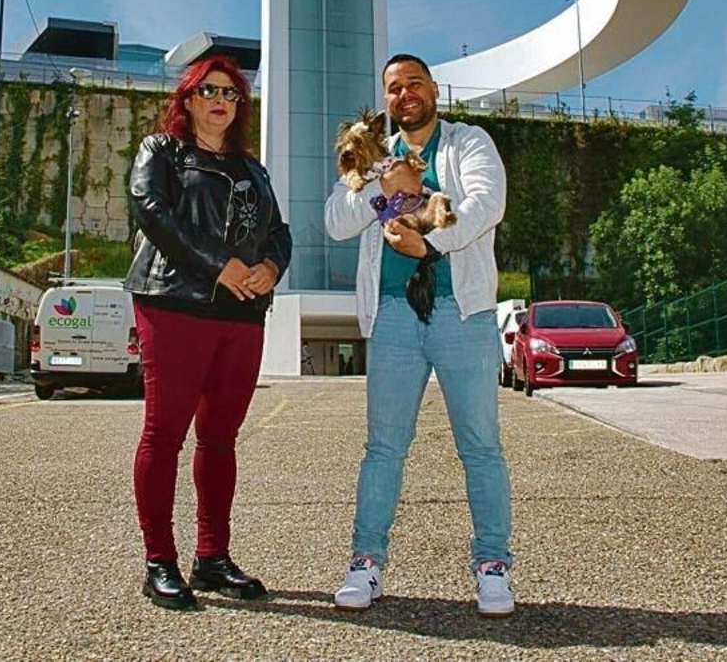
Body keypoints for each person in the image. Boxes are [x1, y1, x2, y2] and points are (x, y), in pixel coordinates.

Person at [324, 53, 514, 618]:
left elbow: (486, 204)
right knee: (384, 446)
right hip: (393, 315)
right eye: (393, 88)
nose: (404, 94)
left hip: (462, 310)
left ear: (433, 89)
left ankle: (492, 565)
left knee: (480, 445)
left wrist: (429, 244)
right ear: (384, 100)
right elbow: (337, 220)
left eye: (414, 84)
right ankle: (366, 561)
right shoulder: (372, 156)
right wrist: (388, 189)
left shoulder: (469, 142)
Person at [124, 54, 292, 611]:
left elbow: (278, 232)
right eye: (209, 90)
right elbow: (152, 210)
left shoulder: (254, 169)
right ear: (189, 98)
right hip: (174, 302)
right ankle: (159, 562)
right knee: (164, 432)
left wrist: (270, 268)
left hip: (242, 314)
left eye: (232, 93)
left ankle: (212, 558)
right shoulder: (162, 152)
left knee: (220, 437)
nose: (221, 100)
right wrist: (220, 264)